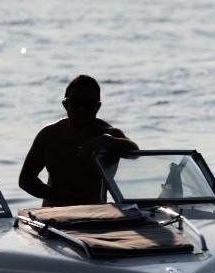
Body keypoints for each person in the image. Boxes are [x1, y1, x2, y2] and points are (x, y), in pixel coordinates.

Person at [19, 75, 138, 207]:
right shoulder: (48, 135)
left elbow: (134, 151)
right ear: (65, 104)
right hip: (53, 216)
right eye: (75, 103)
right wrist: (55, 195)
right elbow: (25, 179)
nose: (81, 109)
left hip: (95, 215)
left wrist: (106, 141)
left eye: (88, 105)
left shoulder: (108, 133)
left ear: (97, 107)